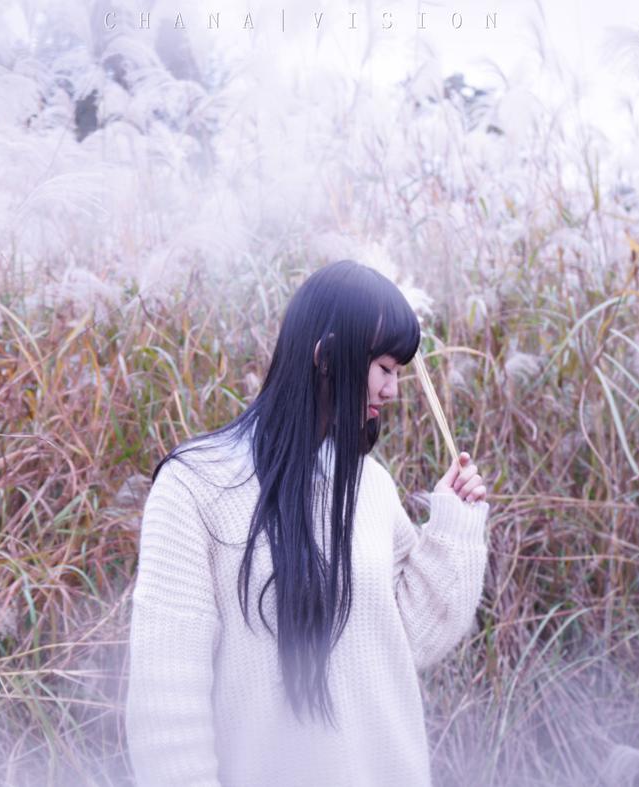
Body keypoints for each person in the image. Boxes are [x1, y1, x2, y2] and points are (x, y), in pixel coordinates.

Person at [124, 260, 490, 786]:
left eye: (398, 373)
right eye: (384, 368)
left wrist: (454, 524)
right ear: (326, 357)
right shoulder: (196, 485)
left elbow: (405, 640)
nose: (392, 390)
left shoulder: (370, 486)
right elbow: (167, 700)